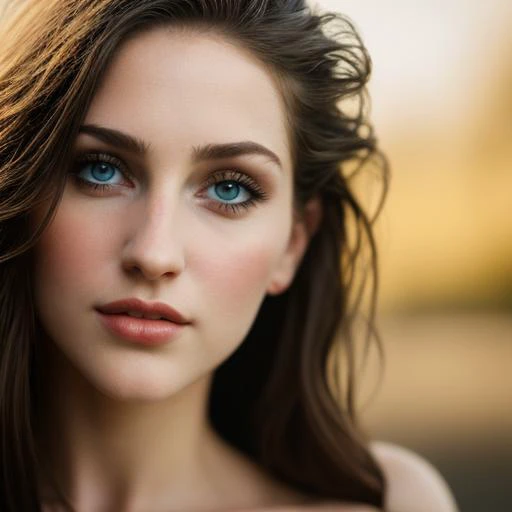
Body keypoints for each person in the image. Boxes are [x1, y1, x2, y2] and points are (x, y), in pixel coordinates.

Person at [0, 1, 459, 511]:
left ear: (292, 244)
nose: (154, 254)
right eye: (101, 170)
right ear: (20, 190)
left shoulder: (392, 503)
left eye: (229, 189)